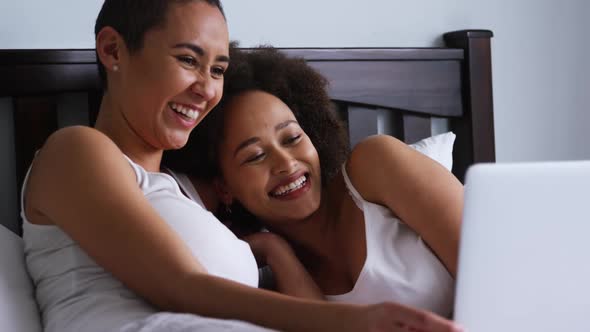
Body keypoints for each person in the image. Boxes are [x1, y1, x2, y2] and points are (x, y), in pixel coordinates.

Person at [21, 0, 464, 331]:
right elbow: (180, 286)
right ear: (113, 50)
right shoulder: (75, 150)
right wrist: (356, 322)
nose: (206, 89)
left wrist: (276, 252)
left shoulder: (183, 193)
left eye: (217, 69)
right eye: (189, 60)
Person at [165, 46, 463, 317]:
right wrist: (276, 252)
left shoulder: (375, 164)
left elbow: (494, 262)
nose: (286, 163)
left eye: (293, 138)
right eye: (255, 156)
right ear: (224, 189)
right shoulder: (272, 285)